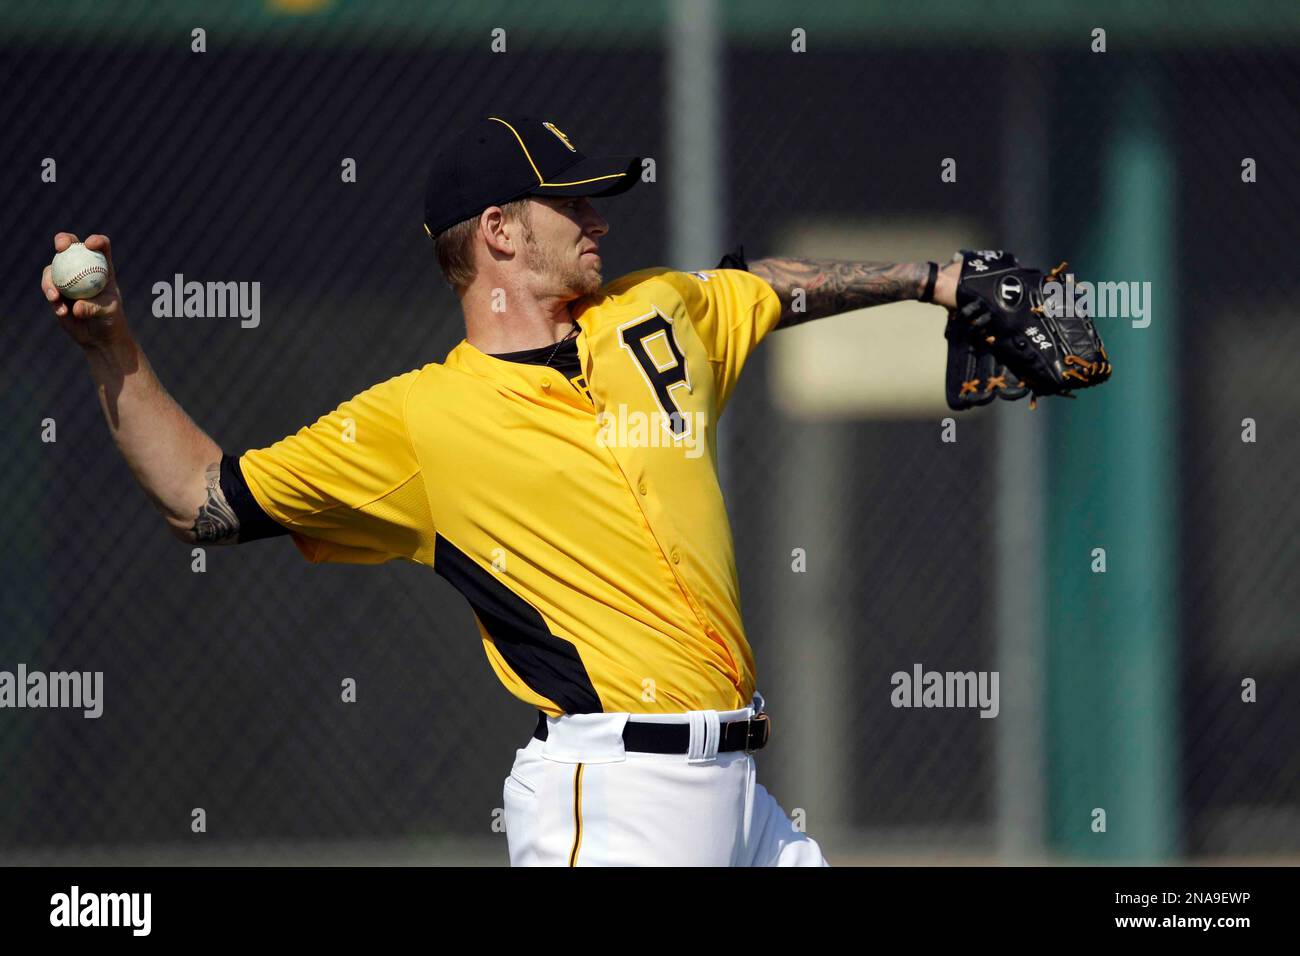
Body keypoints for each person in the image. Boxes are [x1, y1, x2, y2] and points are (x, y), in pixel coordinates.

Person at [42, 115, 962, 866]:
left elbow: (758, 287)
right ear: (499, 232)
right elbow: (202, 497)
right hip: (618, 805)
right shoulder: (421, 423)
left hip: (746, 801)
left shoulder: (652, 312)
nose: (598, 219)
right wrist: (110, 344)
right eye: (571, 203)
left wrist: (935, 280)